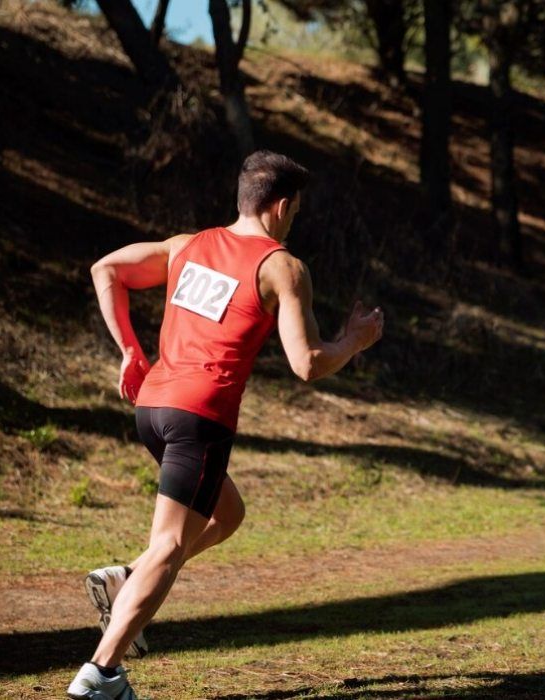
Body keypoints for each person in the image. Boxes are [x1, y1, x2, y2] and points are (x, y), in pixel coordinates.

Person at [67, 150, 385, 700]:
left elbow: (106, 270)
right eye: (296, 210)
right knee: (169, 544)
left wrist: (129, 351)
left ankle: (126, 577)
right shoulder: (281, 267)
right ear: (282, 206)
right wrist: (353, 341)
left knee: (227, 512)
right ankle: (103, 672)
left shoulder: (186, 245)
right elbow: (307, 363)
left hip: (153, 409)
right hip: (199, 415)